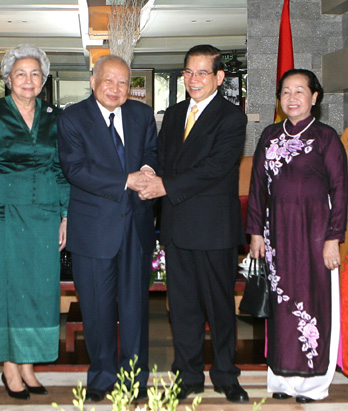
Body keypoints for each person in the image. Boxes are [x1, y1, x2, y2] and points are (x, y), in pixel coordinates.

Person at [139, 44, 249, 403]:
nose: (193, 79)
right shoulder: (173, 114)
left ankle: (226, 375)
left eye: (202, 72)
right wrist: (148, 174)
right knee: (183, 309)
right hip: (176, 227)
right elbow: (162, 159)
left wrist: (165, 186)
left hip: (213, 229)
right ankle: (187, 375)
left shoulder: (231, 118)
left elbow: (216, 167)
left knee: (220, 308)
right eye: (188, 72)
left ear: (219, 77)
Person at [0, 44, 69, 401]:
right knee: (4, 289)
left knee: (40, 290)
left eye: (35, 74)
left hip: (44, 214)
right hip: (1, 215)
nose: (29, 80)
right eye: (21, 74)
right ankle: (9, 365)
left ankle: (28, 363)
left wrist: (65, 214)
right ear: (8, 79)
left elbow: (62, 169)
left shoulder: (56, 117)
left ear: (43, 80)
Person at [57, 55, 157, 402]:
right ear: (93, 81)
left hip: (137, 228)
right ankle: (101, 376)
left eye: (123, 82)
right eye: (109, 80)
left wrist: (147, 171)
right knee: (97, 309)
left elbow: (152, 152)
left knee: (135, 310)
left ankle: (135, 380)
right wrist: (127, 180)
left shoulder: (142, 115)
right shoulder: (72, 118)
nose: (116, 88)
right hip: (93, 230)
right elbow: (75, 169)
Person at [246, 69, 348, 403]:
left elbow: (340, 190)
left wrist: (333, 237)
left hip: (316, 234)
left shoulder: (326, 137)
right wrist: (256, 232)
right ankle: (282, 379)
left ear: (314, 97)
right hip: (277, 234)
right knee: (281, 304)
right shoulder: (269, 135)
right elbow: (257, 187)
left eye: (299, 91)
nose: (292, 98)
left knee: (313, 301)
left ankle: (312, 384)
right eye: (286, 91)